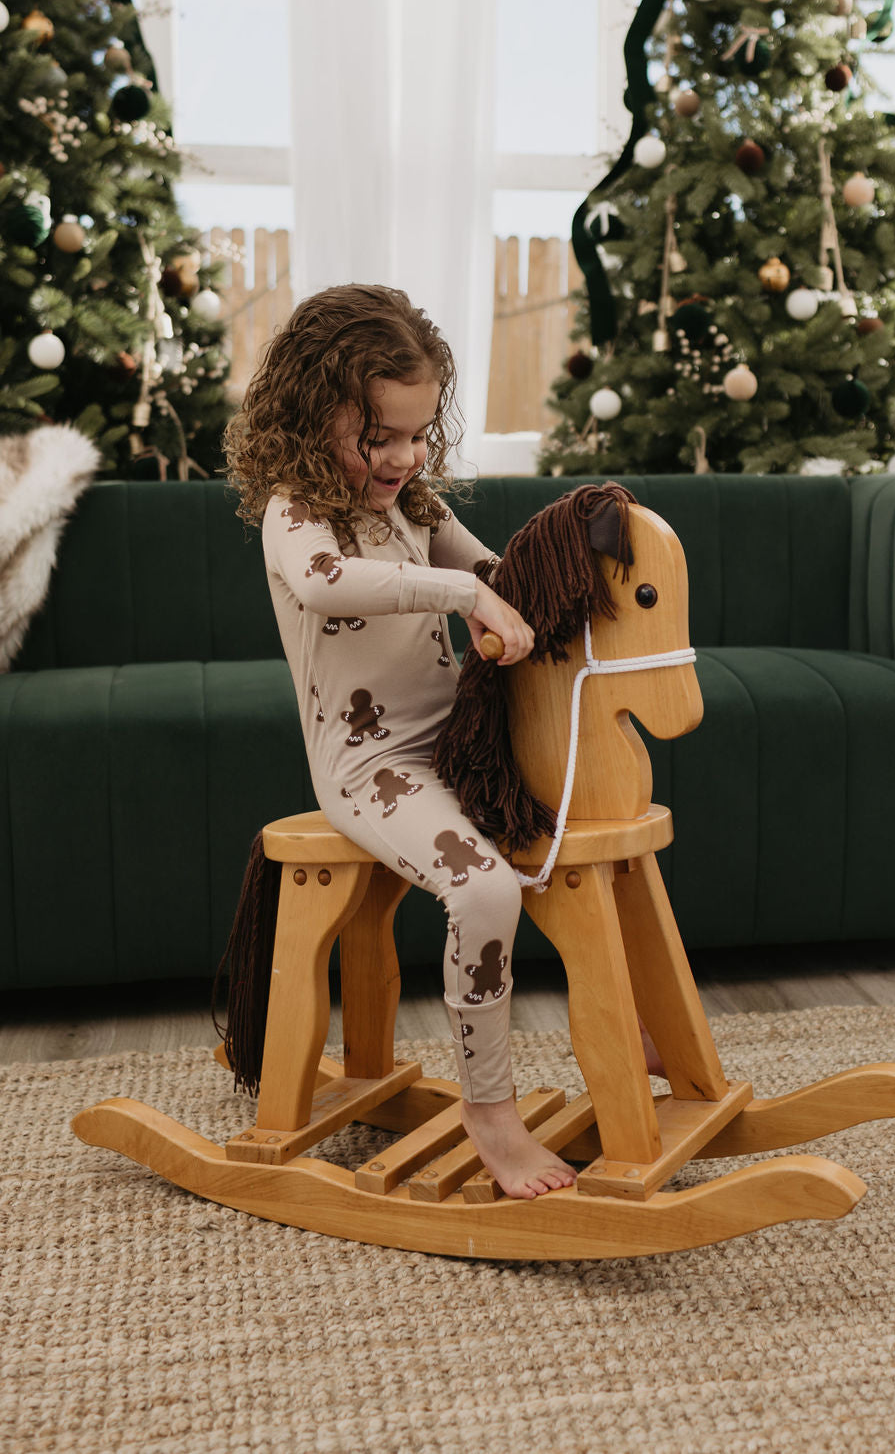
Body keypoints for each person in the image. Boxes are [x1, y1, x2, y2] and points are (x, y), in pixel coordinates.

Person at [222, 282, 577, 1200]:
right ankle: (489, 1112)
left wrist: (548, 594)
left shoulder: (413, 506)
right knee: (486, 887)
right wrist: (465, 597)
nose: (401, 456)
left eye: (417, 434)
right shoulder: (296, 515)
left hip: (458, 739)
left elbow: (496, 569)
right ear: (308, 419)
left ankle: (629, 1030)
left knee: (583, 827)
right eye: (376, 436)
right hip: (373, 766)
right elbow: (334, 584)